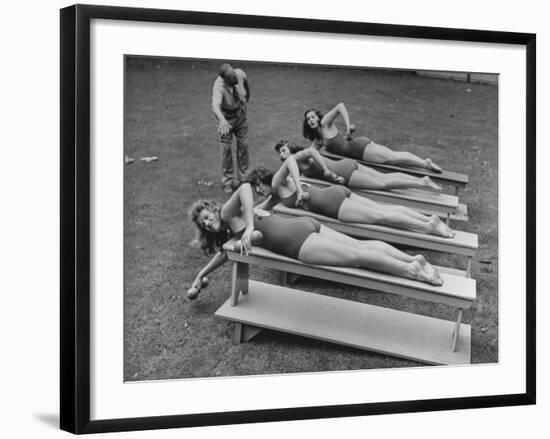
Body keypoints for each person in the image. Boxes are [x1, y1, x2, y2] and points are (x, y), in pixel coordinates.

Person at [186, 183, 443, 300]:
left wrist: (251, 225)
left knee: (358, 256)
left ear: (213, 208)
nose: (208, 222)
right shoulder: (231, 234)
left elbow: (243, 187)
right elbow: (223, 255)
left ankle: (411, 270)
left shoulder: (229, 215)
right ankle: (413, 260)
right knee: (360, 247)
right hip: (303, 227)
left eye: (207, 216)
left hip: (297, 242)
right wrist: (200, 275)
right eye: (204, 224)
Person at [246, 161, 455, 238]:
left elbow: (291, 159)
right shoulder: (276, 192)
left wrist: (299, 190)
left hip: (332, 205)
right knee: (384, 209)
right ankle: (429, 219)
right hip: (335, 192)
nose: (258, 192)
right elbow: (261, 208)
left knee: (381, 216)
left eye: (257, 187)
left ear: (260, 180)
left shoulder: (275, 182)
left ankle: (428, 226)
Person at [303, 103, 442, 172]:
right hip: (358, 154)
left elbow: (340, 106)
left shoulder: (325, 123)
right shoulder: (318, 140)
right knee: (392, 160)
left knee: (392, 158)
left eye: (312, 117)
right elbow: (309, 153)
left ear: (318, 117)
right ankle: (423, 163)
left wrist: (347, 127)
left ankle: (425, 163)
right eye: (308, 119)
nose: (311, 120)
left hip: (359, 148)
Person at [274, 139, 442, 192]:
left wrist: (326, 171)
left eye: (283, 150)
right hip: (347, 165)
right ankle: (421, 179)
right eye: (280, 153)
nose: (282, 155)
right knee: (383, 177)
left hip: (345, 174)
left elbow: (312, 152)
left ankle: (421, 183)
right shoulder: (293, 164)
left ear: (291, 149)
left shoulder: (297, 157)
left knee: (383, 184)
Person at [212, 63, 251, 193]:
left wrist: (245, 101)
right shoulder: (219, 86)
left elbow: (247, 87)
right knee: (226, 150)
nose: (235, 79)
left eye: (234, 76)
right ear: (225, 79)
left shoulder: (240, 73)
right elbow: (215, 106)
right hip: (226, 118)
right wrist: (222, 120)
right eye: (231, 78)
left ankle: (244, 178)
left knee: (243, 146)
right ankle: (227, 181)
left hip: (240, 115)